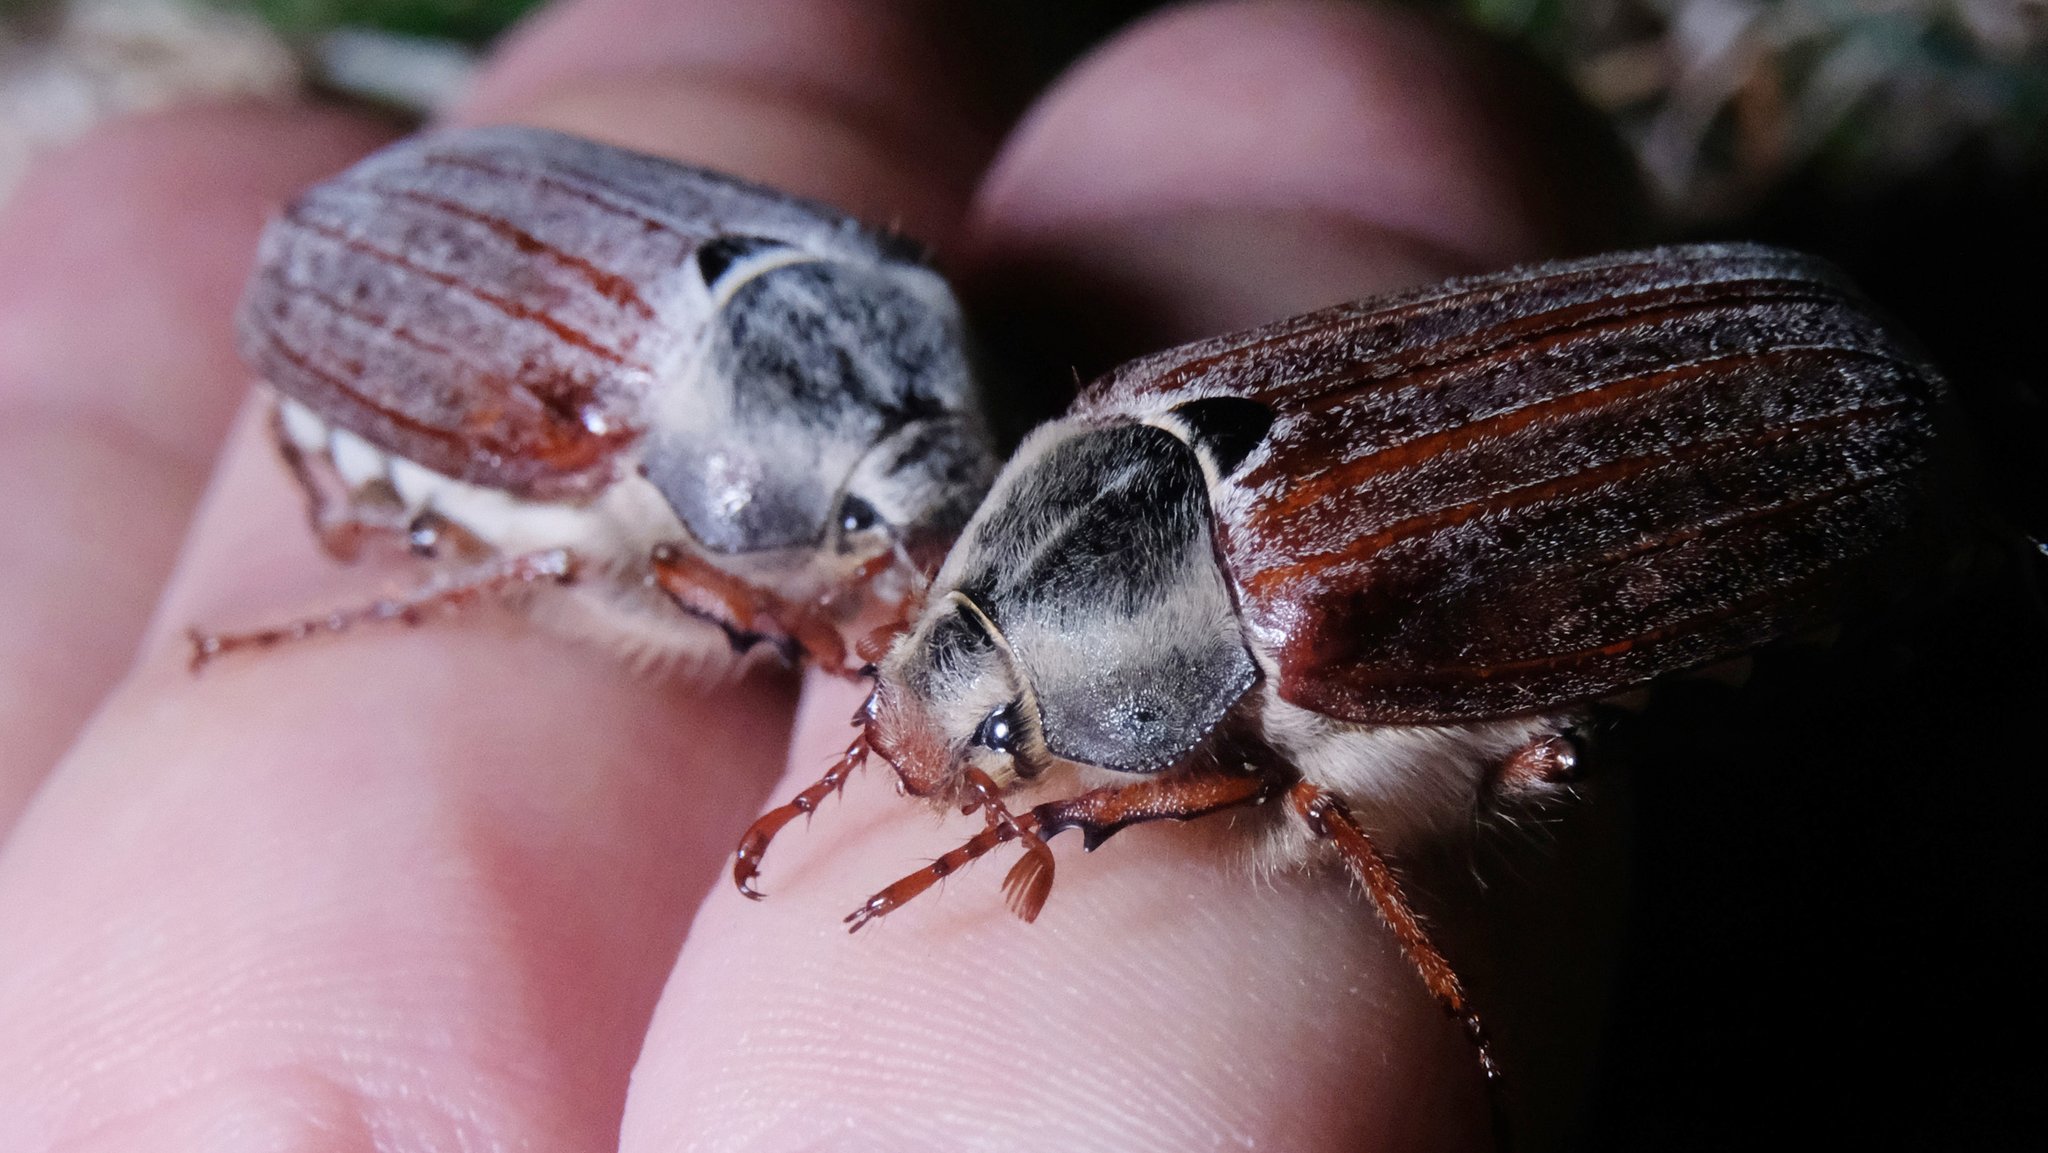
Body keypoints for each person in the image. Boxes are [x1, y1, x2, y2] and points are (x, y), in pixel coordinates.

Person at [0, 2, 1629, 1147]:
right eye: (870, 546)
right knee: (480, 560)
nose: (901, 575)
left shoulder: (924, 344)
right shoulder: (588, 424)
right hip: (395, 304)